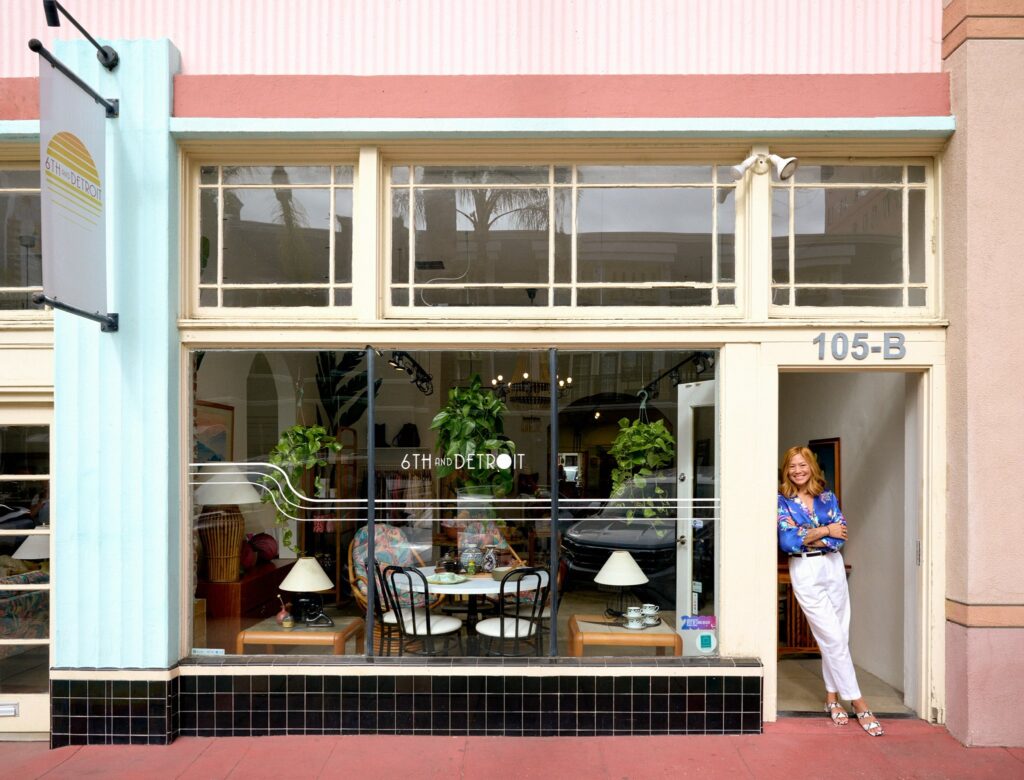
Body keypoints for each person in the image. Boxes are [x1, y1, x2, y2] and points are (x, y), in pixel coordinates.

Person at [777, 445, 884, 737]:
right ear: (786, 470)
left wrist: (812, 536)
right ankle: (860, 704)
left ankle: (831, 699)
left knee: (839, 635)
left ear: (812, 467)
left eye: (803, 465)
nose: (798, 471)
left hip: (833, 567)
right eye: (792, 466)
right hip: (805, 569)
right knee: (833, 637)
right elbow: (788, 542)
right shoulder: (781, 502)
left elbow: (842, 536)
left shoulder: (828, 498)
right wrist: (825, 531)